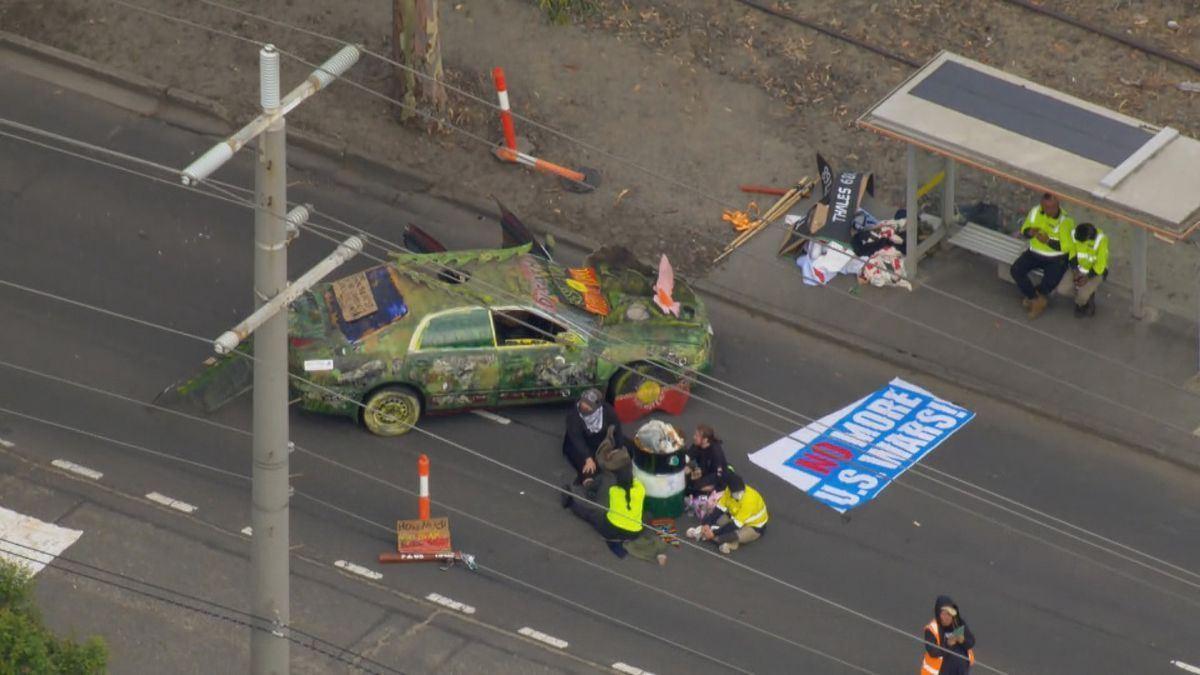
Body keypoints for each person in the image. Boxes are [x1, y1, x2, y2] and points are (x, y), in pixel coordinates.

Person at [1010, 193, 1075, 319]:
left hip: (1056, 257)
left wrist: (1048, 241)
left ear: (1057, 206)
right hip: (1034, 252)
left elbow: (1067, 247)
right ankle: (1035, 299)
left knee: (1050, 282)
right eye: (1044, 207)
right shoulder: (1036, 211)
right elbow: (1024, 229)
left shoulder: (1065, 221)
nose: (1046, 211)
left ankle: (1036, 296)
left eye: (1050, 208)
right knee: (1016, 270)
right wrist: (1030, 232)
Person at [562, 388, 627, 492]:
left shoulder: (607, 411)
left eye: (589, 405)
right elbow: (577, 439)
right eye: (583, 402)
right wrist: (587, 458)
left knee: (625, 447)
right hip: (578, 443)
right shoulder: (573, 416)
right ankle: (588, 482)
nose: (584, 406)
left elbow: (617, 428)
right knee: (584, 462)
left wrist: (618, 447)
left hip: (599, 439)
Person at [686, 473, 768, 554]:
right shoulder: (728, 491)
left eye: (741, 492)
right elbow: (718, 510)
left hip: (754, 526)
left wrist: (714, 533)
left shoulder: (749, 501)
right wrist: (707, 524)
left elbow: (735, 525)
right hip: (735, 516)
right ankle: (705, 532)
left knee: (730, 536)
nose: (739, 495)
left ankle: (729, 543)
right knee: (715, 521)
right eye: (737, 493)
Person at [1054, 222, 1108, 317]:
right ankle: (1085, 297)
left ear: (1088, 239)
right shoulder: (1074, 234)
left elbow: (1100, 265)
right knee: (1062, 290)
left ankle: (1081, 303)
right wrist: (1075, 272)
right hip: (1078, 268)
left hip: (1095, 272)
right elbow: (1072, 254)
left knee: (1082, 296)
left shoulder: (1101, 240)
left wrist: (1087, 278)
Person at [921, 595, 976, 675]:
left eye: (949, 614)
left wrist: (962, 640)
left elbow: (971, 642)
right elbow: (933, 652)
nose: (947, 617)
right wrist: (948, 644)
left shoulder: (958, 624)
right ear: (938, 614)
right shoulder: (931, 629)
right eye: (943, 614)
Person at [684, 424, 729, 497]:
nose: (694, 437)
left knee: (694, 487)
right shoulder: (697, 445)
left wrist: (700, 481)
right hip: (703, 470)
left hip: (716, 477)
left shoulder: (715, 452)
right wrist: (686, 466)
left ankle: (710, 492)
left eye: (697, 436)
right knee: (686, 478)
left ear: (705, 440)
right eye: (695, 434)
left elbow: (718, 475)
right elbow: (688, 455)